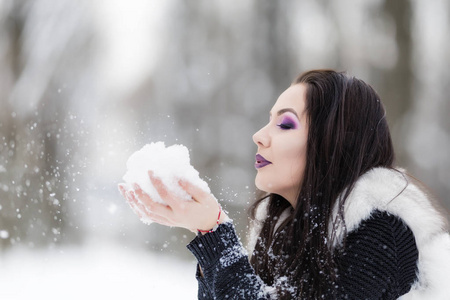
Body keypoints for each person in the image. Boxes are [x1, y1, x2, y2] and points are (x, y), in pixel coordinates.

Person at [119, 70, 450, 299]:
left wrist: (216, 231)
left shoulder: (379, 232)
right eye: (268, 121)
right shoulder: (288, 230)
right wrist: (208, 236)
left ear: (332, 141)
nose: (259, 136)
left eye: (285, 124)